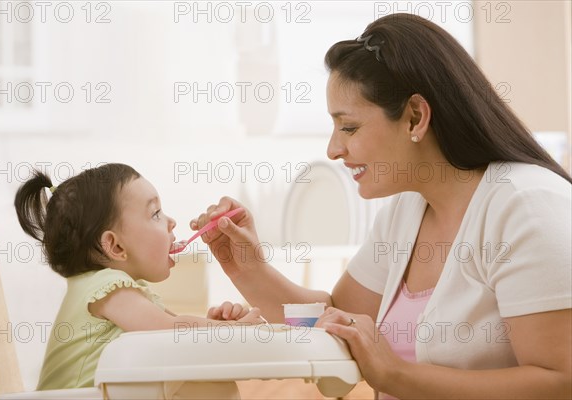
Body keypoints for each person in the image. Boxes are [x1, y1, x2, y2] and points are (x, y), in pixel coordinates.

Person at [190, 14, 572, 399]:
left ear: (415, 117)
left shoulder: (526, 207)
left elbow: (560, 382)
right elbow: (338, 316)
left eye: (349, 127)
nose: (333, 150)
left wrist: (397, 376)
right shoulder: (408, 210)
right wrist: (247, 267)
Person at [14, 163, 261, 393]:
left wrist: (213, 325)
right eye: (156, 213)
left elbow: (178, 335)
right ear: (115, 246)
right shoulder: (106, 288)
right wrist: (233, 331)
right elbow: (171, 330)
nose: (171, 221)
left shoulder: (121, 291)